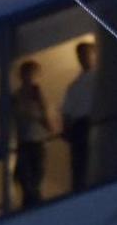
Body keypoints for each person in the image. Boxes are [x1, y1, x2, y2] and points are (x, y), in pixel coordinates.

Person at [8, 61, 53, 207]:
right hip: (23, 143)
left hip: (37, 142)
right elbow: (7, 117)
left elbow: (49, 124)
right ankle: (31, 205)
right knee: (26, 180)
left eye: (32, 74)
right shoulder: (15, 97)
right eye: (27, 73)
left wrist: (39, 107)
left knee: (36, 179)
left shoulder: (39, 96)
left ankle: (34, 205)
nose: (30, 77)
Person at [60, 40, 98, 190]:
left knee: (92, 159)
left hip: (95, 122)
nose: (83, 58)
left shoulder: (101, 77)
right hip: (80, 126)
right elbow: (67, 112)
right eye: (80, 55)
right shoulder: (74, 85)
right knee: (80, 164)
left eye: (86, 54)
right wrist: (66, 129)